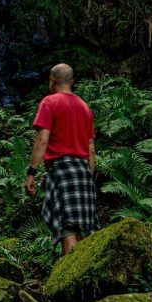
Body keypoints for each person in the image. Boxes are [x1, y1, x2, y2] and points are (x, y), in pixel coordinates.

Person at [24, 62, 98, 256]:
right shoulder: (84, 107)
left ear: (52, 79)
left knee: (68, 229)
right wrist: (88, 175)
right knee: (83, 230)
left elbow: (42, 139)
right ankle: (86, 279)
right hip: (83, 171)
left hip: (62, 170)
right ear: (72, 81)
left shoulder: (50, 102)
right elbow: (91, 149)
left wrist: (31, 172)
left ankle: (69, 283)